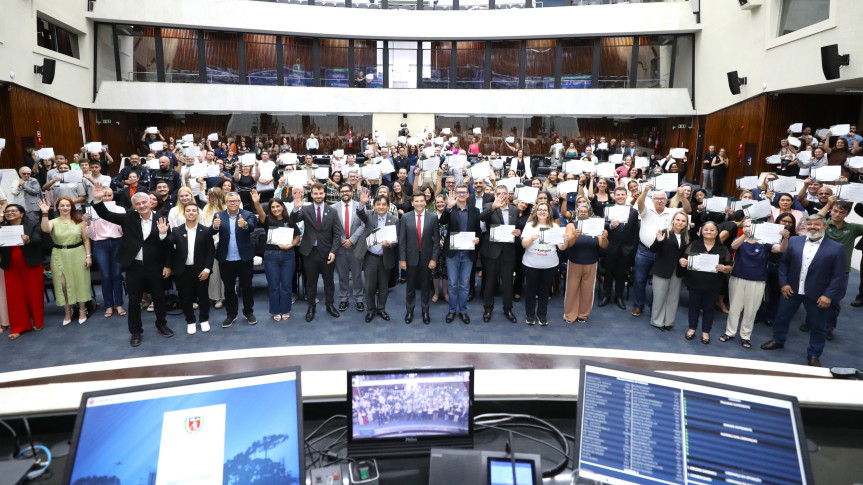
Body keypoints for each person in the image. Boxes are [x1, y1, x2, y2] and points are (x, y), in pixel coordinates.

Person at [90, 185, 173, 347]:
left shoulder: (162, 219)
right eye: (138, 204)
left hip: (155, 266)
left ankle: (161, 324)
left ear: (150, 203)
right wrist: (98, 199)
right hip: (134, 267)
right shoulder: (128, 217)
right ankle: (135, 331)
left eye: (144, 202)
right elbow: (105, 214)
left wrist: (168, 264)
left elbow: (169, 246)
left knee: (159, 298)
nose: (142, 206)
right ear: (134, 206)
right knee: (134, 301)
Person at [760, 214, 847, 367]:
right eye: (810, 224)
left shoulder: (837, 248)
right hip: (791, 289)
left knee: (818, 326)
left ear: (825, 226)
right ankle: (778, 340)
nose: (813, 227)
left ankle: (814, 353)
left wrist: (828, 295)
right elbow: (784, 264)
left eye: (817, 224)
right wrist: (784, 284)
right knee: (782, 317)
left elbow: (838, 276)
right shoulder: (794, 241)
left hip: (818, 294)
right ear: (805, 226)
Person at [720, 218, 789, 348]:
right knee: (734, 307)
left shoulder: (765, 242)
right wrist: (745, 236)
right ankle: (729, 332)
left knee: (751, 310)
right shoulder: (738, 239)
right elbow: (734, 247)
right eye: (746, 226)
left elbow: (781, 249)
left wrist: (785, 238)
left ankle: (746, 336)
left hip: (757, 281)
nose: (748, 228)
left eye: (751, 226)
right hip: (738, 278)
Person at [37, 197, 92, 326]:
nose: (65, 208)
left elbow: (86, 240)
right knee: (63, 286)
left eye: (68, 205)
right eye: (62, 205)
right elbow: (45, 229)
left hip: (78, 253)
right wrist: (45, 213)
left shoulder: (79, 221)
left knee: (80, 282)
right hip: (59, 254)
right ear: (58, 208)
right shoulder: (53, 222)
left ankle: (83, 310)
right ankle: (68, 311)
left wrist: (88, 256)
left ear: (72, 207)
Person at [291, 183, 341, 322]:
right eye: (315, 194)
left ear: (324, 194)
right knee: (311, 283)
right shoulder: (305, 209)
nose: (318, 196)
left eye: (321, 193)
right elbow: (293, 221)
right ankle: (311, 307)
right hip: (309, 252)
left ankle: (330, 305)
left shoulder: (332, 211)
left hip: (327, 253)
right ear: (311, 195)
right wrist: (295, 207)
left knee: (329, 282)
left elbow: (337, 234)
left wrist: (334, 251)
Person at [681, 221, 733, 344]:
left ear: (717, 232)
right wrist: (682, 261)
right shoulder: (694, 244)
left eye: (712, 230)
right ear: (701, 231)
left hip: (713, 284)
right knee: (693, 307)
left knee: (709, 308)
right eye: (706, 229)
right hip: (695, 282)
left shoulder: (723, 248)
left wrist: (725, 268)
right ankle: (692, 328)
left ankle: (706, 331)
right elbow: (683, 258)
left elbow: (730, 267)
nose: (709, 232)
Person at [251, 191, 300, 321]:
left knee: (286, 285)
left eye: (278, 206)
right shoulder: (267, 220)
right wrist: (256, 202)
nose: (276, 209)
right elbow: (261, 212)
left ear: (282, 207)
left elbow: (297, 237)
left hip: (288, 256)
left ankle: (286, 309)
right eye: (273, 207)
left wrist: (290, 246)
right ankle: (275, 310)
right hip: (271, 257)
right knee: (273, 286)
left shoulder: (290, 220)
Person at [211, 191, 258, 327]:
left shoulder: (247, 214)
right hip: (226, 259)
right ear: (226, 203)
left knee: (247, 287)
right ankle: (231, 314)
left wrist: (245, 225)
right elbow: (212, 231)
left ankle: (248, 311)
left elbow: (252, 228)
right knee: (229, 288)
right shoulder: (218, 215)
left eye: (235, 201)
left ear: (239, 202)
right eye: (230, 201)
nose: (233, 203)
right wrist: (215, 226)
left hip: (244, 259)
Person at [632, 184, 678, 317]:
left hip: (662, 253)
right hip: (644, 251)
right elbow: (639, 203)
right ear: (652, 200)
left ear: (666, 200)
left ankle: (655, 307)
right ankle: (638, 305)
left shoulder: (672, 213)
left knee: (659, 283)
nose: (659, 201)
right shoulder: (646, 211)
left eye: (662, 199)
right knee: (640, 279)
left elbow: (687, 209)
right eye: (656, 199)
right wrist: (645, 190)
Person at [521, 202, 570, 326]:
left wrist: (565, 240)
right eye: (540, 209)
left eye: (545, 210)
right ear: (536, 211)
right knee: (531, 291)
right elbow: (524, 245)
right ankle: (530, 314)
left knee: (544, 292)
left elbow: (562, 248)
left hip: (550, 265)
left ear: (549, 213)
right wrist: (531, 238)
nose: (542, 212)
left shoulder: (555, 227)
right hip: (531, 264)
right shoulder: (529, 226)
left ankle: (542, 315)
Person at [168, 203, 215, 335]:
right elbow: (167, 244)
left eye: (194, 210)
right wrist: (161, 234)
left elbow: (210, 252)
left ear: (198, 213)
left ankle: (204, 320)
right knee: (185, 297)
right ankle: (190, 321)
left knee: (203, 296)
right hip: (183, 271)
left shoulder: (205, 230)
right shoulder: (176, 230)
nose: (191, 213)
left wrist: (207, 269)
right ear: (184, 214)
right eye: (188, 211)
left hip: (201, 270)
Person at [439, 185, 482, 324]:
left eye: (464, 192)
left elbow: (478, 231)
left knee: (464, 285)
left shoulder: (475, 211)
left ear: (468, 195)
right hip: (453, 253)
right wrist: (448, 208)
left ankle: (463, 311)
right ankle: (452, 311)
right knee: (452, 284)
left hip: (468, 253)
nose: (462, 194)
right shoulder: (450, 210)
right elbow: (442, 222)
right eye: (459, 192)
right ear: (456, 194)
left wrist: (477, 239)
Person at [0, 205, 44, 339]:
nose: (10, 213)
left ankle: (38, 322)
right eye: (7, 211)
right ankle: (19, 326)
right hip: (10, 265)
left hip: (31, 264)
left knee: (34, 294)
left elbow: (38, 239)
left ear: (22, 213)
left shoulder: (32, 225)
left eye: (14, 211)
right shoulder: (2, 228)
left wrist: (28, 240)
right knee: (15, 297)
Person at [479, 185, 520, 323]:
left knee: (508, 283)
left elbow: (516, 228)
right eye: (499, 193)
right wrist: (493, 207)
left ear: (509, 195)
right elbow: (482, 218)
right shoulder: (489, 205)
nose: (502, 196)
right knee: (490, 282)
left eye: (505, 193)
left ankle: (508, 309)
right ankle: (488, 309)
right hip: (491, 251)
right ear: (495, 195)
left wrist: (518, 232)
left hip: (508, 251)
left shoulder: (515, 210)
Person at [355, 194, 399, 322]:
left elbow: (397, 239)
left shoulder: (394, 220)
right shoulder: (369, 215)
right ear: (374, 206)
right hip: (370, 257)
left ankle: (381, 309)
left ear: (388, 206)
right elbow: (360, 213)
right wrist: (362, 204)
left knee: (384, 286)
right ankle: (370, 310)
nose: (381, 207)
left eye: (384, 204)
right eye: (378, 204)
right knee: (369, 286)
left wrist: (390, 244)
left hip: (385, 257)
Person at [84, 189, 126, 318]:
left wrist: (114, 218)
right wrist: (88, 223)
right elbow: (91, 235)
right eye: (104, 196)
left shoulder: (120, 209)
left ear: (113, 196)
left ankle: (118, 304)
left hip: (117, 242)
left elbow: (124, 230)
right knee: (106, 275)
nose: (107, 198)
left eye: (109, 195)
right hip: (100, 244)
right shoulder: (91, 210)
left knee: (117, 274)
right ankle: (108, 304)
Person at [399, 192, 440, 324]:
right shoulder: (405, 217)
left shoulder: (433, 217)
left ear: (425, 202)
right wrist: (403, 259)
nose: (419, 203)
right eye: (416, 201)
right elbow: (402, 241)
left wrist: (434, 259)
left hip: (427, 258)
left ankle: (425, 311)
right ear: (412, 203)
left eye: (421, 201)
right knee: (410, 287)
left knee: (425, 287)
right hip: (410, 258)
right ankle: (409, 311)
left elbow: (436, 241)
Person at [562, 204, 605, 324]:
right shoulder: (571, 225)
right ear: (577, 213)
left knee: (587, 290)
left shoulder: (596, 225)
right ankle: (570, 314)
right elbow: (569, 244)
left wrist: (604, 237)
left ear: (589, 213)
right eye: (580, 211)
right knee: (572, 289)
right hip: (575, 261)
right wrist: (574, 236)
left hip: (591, 262)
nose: (583, 213)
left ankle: (583, 314)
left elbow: (603, 245)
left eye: (585, 212)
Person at [648, 211, 690, 331]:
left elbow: (686, 253)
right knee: (659, 297)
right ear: (673, 220)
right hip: (662, 270)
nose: (680, 223)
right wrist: (659, 241)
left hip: (677, 271)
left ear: (686, 223)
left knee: (673, 298)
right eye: (678, 220)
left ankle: (668, 322)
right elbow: (653, 250)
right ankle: (657, 321)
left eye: (683, 221)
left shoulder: (686, 237)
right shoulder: (664, 233)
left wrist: (684, 259)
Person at [599, 187, 639, 309]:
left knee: (622, 274)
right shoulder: (608, 209)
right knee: (608, 272)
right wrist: (609, 225)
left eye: (623, 194)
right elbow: (602, 225)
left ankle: (619, 297)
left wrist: (632, 248)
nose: (620, 197)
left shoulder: (633, 212)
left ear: (627, 196)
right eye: (618, 195)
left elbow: (635, 232)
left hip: (626, 249)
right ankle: (606, 296)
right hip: (611, 246)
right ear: (614, 196)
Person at [333, 183, 367, 313]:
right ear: (339, 193)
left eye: (347, 191)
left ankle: (359, 299)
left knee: (357, 274)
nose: (344, 193)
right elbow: (333, 227)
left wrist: (352, 240)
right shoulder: (333, 208)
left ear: (352, 192)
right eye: (342, 191)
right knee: (342, 275)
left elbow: (364, 224)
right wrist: (343, 241)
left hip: (356, 246)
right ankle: (344, 298)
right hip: (340, 247)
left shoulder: (360, 206)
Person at [201, 188, 227, 310]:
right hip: (211, 243)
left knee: (227, 272)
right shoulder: (206, 209)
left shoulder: (226, 208)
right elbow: (205, 227)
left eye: (211, 195)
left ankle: (227, 294)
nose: (208, 197)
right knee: (214, 272)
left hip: (225, 244)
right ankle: (217, 297)